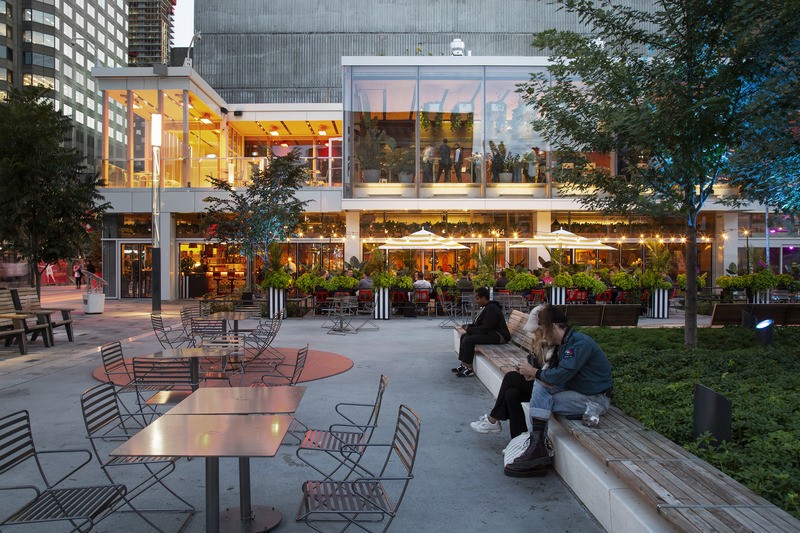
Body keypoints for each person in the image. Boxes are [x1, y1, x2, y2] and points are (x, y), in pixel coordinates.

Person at [504, 304, 613, 478]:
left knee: (543, 397)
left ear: (554, 326)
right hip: (577, 392)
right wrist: (537, 374)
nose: (544, 336)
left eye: (544, 330)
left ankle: (537, 446)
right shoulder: (566, 342)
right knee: (540, 387)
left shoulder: (579, 343)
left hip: (595, 399)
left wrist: (535, 373)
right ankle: (537, 445)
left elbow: (562, 375)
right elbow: (552, 376)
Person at [470, 305, 554, 438]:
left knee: (510, 377)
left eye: (535, 330)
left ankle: (493, 419)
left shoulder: (554, 342)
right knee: (511, 394)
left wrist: (533, 372)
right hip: (539, 381)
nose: (533, 333)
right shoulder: (541, 341)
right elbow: (539, 364)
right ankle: (518, 440)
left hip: (549, 389)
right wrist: (527, 368)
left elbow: (553, 375)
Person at [453, 287, 511, 378]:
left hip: (499, 336)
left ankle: (469, 369)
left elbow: (486, 328)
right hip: (491, 333)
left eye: (477, 299)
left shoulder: (492, 308)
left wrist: (470, 329)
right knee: (464, 336)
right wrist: (469, 327)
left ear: (484, 298)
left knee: (470, 340)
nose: (476, 301)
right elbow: (480, 325)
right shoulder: (486, 307)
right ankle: (463, 364)